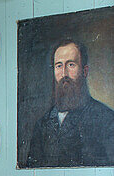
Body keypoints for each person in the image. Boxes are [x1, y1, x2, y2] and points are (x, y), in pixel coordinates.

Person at [26, 39, 114, 167]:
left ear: (84, 71)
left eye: (71, 65)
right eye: (59, 66)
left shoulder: (106, 119)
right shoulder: (42, 124)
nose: (64, 74)